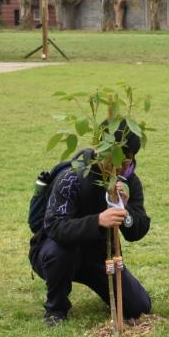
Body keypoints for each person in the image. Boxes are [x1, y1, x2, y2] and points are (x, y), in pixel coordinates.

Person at [29, 128, 151, 326]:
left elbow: (136, 232)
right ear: (100, 151)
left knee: (139, 306)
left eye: (126, 162)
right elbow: (54, 226)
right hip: (58, 253)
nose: (120, 168)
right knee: (61, 252)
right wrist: (98, 221)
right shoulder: (71, 177)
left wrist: (124, 209)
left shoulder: (128, 181)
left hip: (99, 257)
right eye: (115, 160)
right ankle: (56, 308)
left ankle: (103, 287)